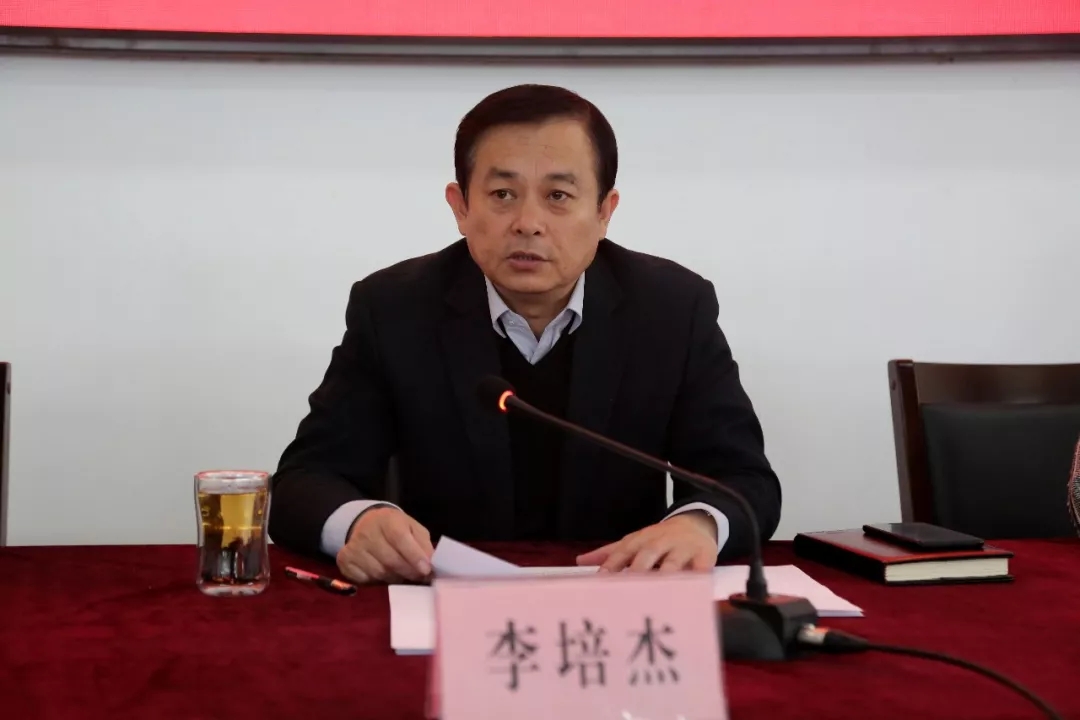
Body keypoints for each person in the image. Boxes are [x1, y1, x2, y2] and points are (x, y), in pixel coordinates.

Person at [268, 84, 781, 585]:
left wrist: (699, 525)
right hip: (443, 600)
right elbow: (305, 480)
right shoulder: (394, 309)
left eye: (558, 195)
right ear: (460, 207)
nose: (528, 222)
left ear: (604, 212)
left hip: (616, 600)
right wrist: (358, 522)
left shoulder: (671, 309)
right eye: (502, 195)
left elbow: (744, 480)